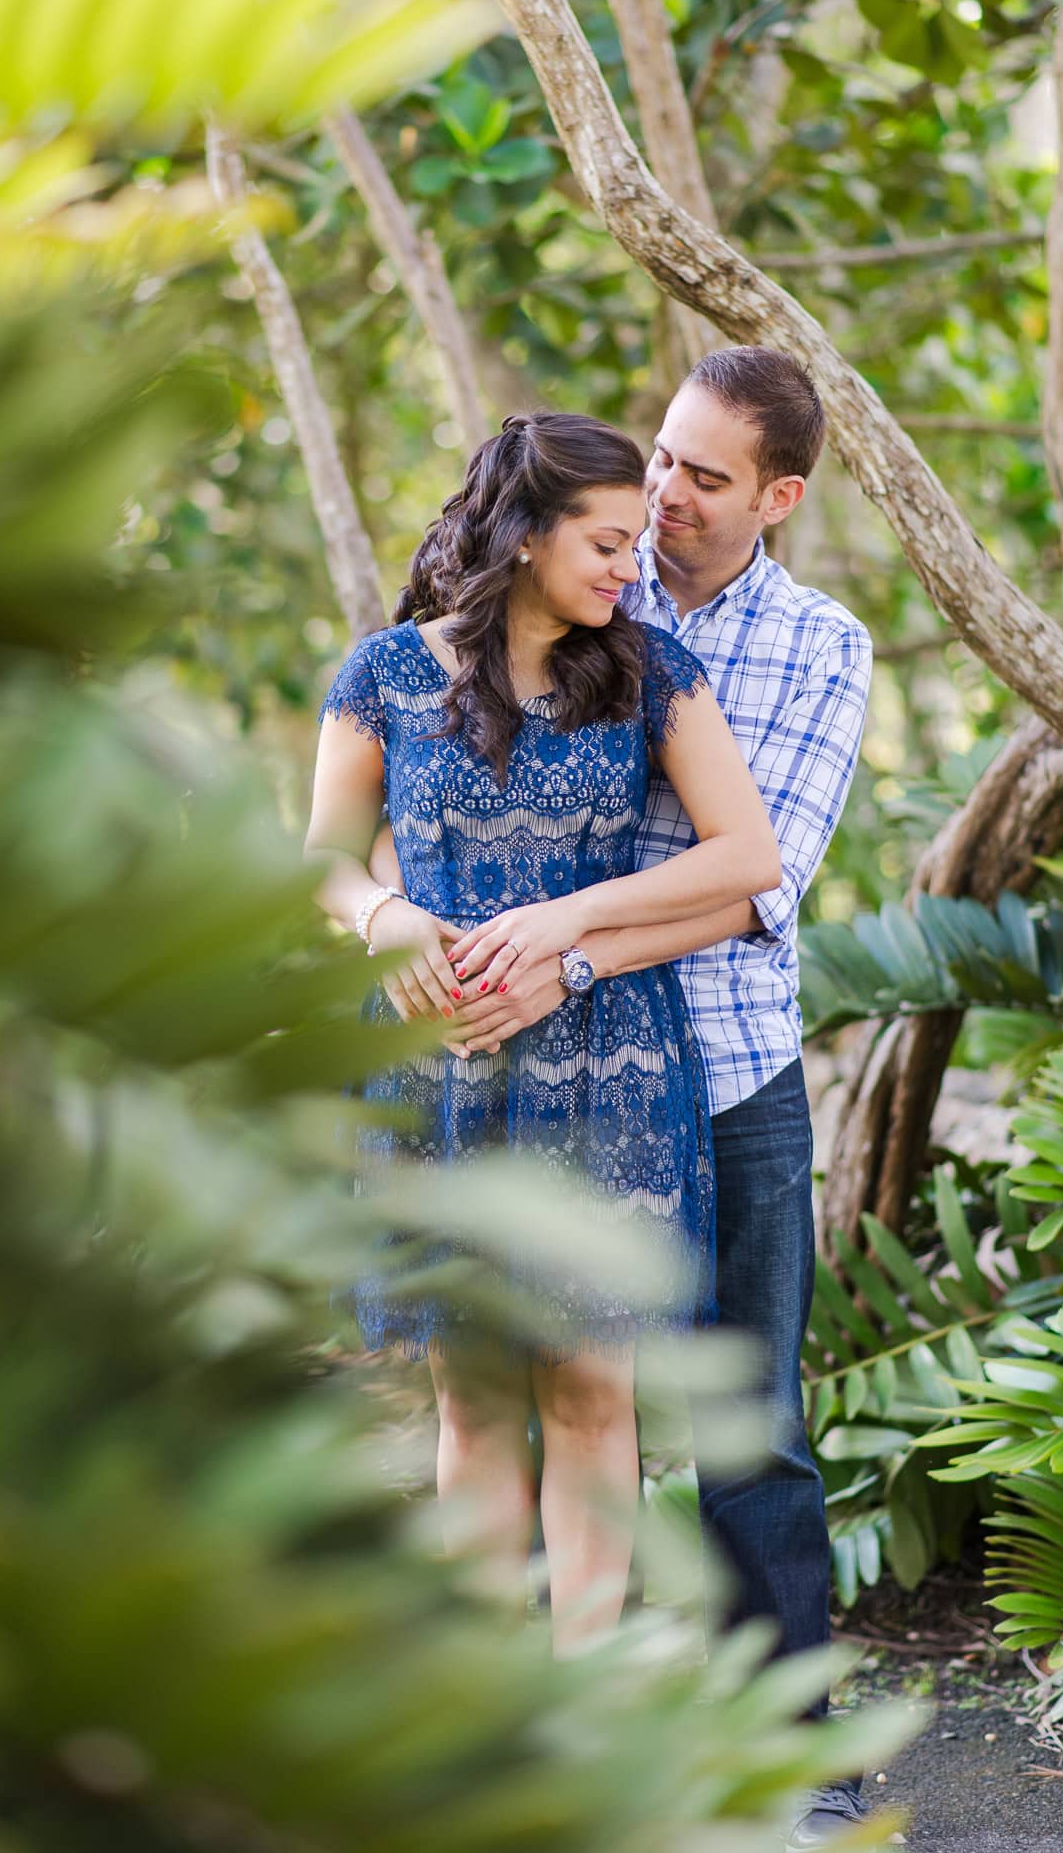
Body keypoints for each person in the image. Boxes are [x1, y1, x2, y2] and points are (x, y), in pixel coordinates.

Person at [431, 350, 874, 1848]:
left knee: (746, 1421)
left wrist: (562, 949)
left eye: (702, 475)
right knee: (554, 1408)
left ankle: (785, 1758)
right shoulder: (570, 603)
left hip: (728, 1066)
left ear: (778, 497)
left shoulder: (814, 643)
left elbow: (764, 883)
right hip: (546, 1087)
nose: (666, 493)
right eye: (662, 460)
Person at [305, 411, 780, 1658]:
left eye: (635, 543)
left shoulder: (649, 675)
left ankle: (584, 1703)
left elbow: (748, 857)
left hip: (608, 1068)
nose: (632, 565)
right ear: (522, 533)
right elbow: (317, 861)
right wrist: (387, 916)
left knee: (585, 1389)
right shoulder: (381, 674)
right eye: (608, 540)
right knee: (468, 1398)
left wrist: (565, 920)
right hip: (437, 1061)